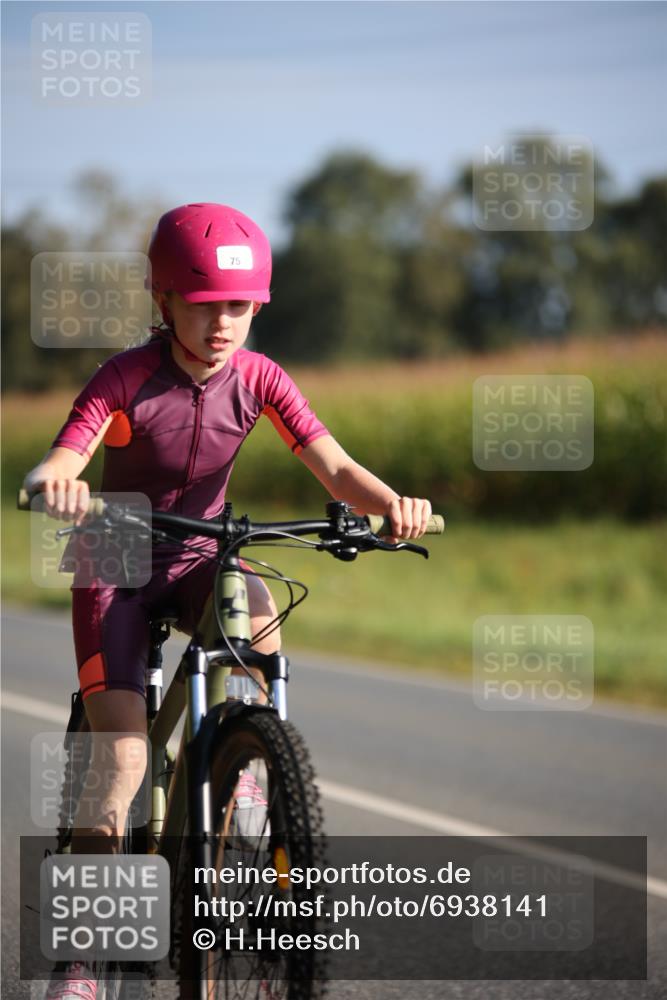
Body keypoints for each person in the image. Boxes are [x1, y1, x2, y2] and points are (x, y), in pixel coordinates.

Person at [23, 203, 432, 998]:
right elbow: (68, 448)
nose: (222, 324)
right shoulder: (125, 377)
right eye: (204, 304)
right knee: (122, 764)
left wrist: (391, 503)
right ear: (163, 300)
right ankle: (77, 963)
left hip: (206, 550)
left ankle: (251, 766)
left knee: (263, 608)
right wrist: (57, 481)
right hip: (117, 553)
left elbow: (335, 467)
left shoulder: (261, 378)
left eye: (238, 307)